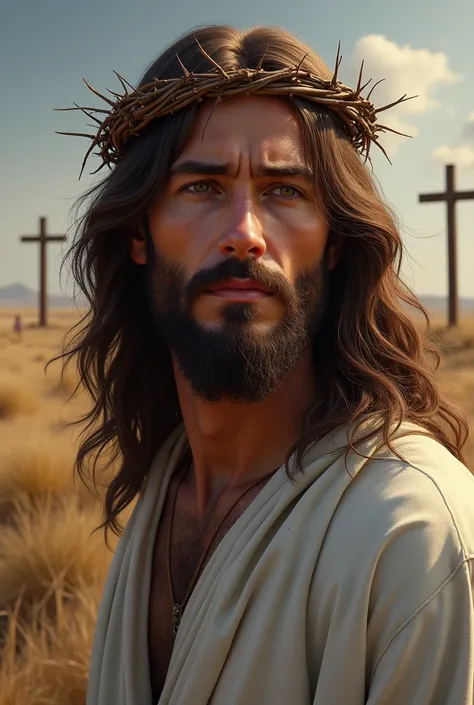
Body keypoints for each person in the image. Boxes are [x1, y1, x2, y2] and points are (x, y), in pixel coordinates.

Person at [59, 24, 474, 705]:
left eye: (286, 191)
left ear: (334, 241)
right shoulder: (166, 490)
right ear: (139, 231)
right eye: (202, 186)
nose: (245, 233)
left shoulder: (413, 541)